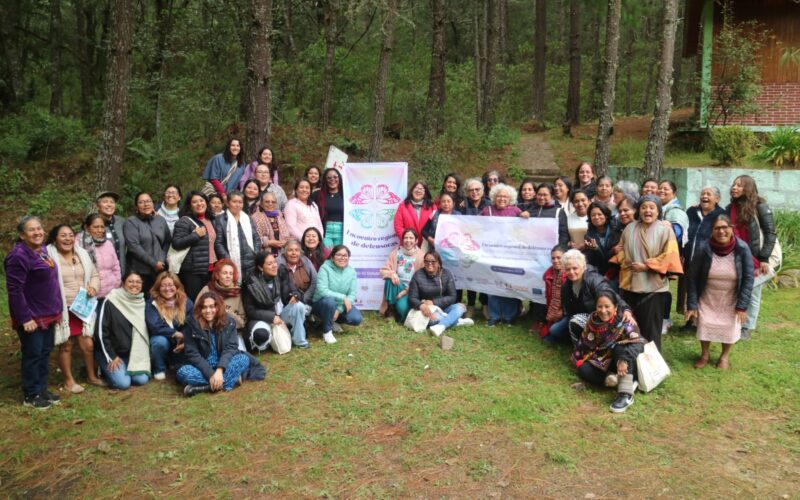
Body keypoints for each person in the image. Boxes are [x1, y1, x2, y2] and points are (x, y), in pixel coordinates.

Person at [611, 195, 683, 351]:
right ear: (639, 210)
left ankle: (652, 368)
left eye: (652, 207)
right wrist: (626, 261)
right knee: (629, 328)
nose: (647, 211)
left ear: (658, 211)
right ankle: (630, 361)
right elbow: (620, 248)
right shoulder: (630, 228)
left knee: (651, 330)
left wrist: (647, 266)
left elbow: (670, 255)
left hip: (653, 289)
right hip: (630, 285)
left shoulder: (665, 230)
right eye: (644, 207)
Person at [5, 216, 63, 408]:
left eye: (39, 228)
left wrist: (57, 309)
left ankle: (42, 389)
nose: (37, 232)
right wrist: (25, 317)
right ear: (22, 235)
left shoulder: (42, 250)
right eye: (31, 230)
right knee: (33, 353)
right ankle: (30, 394)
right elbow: (15, 291)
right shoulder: (18, 256)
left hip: (49, 313)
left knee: (45, 352)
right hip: (32, 316)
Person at [686, 214, 754, 370]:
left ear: (731, 229)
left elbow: (749, 278)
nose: (721, 231)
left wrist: (742, 306)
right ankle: (704, 354)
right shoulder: (703, 248)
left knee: (729, 325)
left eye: (725, 227)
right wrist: (692, 304)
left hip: (732, 296)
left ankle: (724, 357)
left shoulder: (742, 248)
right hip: (708, 295)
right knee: (705, 323)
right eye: (717, 228)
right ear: (712, 231)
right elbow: (692, 277)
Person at [47, 224, 103, 394]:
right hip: (63, 307)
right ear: (55, 238)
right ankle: (69, 381)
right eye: (63, 235)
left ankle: (91, 376)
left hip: (83, 305)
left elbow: (94, 274)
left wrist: (93, 287)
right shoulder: (48, 256)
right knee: (66, 344)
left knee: (88, 343)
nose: (68, 239)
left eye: (71, 235)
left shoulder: (82, 253)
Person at [572, 293, 645, 413]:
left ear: (615, 308)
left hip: (625, 362)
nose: (603, 310)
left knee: (619, 348)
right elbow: (585, 343)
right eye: (599, 306)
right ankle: (613, 380)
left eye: (607, 306)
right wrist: (579, 357)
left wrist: (624, 360)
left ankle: (625, 394)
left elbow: (638, 343)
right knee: (583, 369)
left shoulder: (625, 321)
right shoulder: (593, 321)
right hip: (604, 361)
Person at [542, 249, 633, 345]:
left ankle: (585, 343)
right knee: (554, 330)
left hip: (598, 316)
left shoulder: (593, 279)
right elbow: (568, 309)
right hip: (577, 317)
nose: (571, 272)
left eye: (575, 268)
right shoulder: (566, 286)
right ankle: (580, 335)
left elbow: (610, 294)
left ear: (583, 267)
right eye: (568, 269)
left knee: (575, 321)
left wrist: (626, 309)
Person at [177, 292, 258, 396]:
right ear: (199, 309)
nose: (208, 311)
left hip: (223, 364)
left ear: (218, 307)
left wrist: (219, 370)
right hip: (202, 367)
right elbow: (192, 354)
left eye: (212, 307)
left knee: (243, 359)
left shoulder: (229, 322)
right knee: (183, 372)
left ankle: (204, 388)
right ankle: (229, 381)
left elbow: (231, 347)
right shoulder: (192, 324)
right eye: (204, 307)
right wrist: (211, 374)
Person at [726, 174, 777, 339]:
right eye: (734, 185)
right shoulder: (730, 208)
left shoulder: (760, 206)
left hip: (756, 257)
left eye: (739, 185)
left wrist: (764, 258)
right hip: (737, 254)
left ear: (748, 188)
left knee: (753, 290)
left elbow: (770, 233)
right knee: (738, 288)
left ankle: (748, 327)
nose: (734, 187)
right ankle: (736, 322)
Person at [95, 271, 151, 390]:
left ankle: (124, 368)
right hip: (112, 353)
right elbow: (100, 332)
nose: (134, 284)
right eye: (130, 281)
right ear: (123, 283)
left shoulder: (142, 303)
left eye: (138, 282)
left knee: (141, 380)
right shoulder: (111, 301)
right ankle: (102, 367)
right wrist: (111, 356)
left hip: (133, 354)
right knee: (123, 384)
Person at [243, 252, 309, 350]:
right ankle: (270, 338)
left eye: (274, 262)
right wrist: (271, 317)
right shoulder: (251, 283)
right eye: (269, 264)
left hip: (281, 315)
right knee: (261, 337)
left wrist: (295, 296)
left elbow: (295, 290)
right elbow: (250, 311)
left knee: (299, 306)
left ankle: (300, 341)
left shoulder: (281, 272)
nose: (274, 266)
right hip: (262, 318)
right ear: (261, 268)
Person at [683, 186, 725, 331]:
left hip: (709, 259)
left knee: (705, 291)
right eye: (702, 194)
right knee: (690, 289)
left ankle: (703, 322)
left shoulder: (720, 214)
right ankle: (690, 321)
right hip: (689, 258)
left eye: (709, 194)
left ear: (717, 199)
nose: (704, 196)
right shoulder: (692, 212)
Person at [480, 183, 522, 326]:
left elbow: (525, 230)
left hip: (511, 255)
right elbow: (476, 226)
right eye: (499, 195)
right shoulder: (487, 211)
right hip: (492, 254)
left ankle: (509, 316)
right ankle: (494, 315)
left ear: (510, 198)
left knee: (510, 284)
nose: (502, 198)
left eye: (505, 196)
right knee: (493, 284)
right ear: (494, 197)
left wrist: (526, 216)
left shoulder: (516, 211)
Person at [407, 251, 473, 337]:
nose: (429, 263)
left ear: (439, 263)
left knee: (459, 307)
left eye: (433, 261)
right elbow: (412, 297)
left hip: (444, 307)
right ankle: (456, 320)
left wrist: (433, 302)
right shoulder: (418, 275)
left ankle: (440, 326)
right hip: (428, 310)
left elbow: (453, 296)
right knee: (433, 319)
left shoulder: (446, 274)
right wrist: (420, 305)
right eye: (427, 261)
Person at [145, 272, 193, 380]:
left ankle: (175, 363)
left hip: (181, 341)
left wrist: (185, 337)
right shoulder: (152, 303)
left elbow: (192, 323)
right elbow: (154, 326)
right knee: (159, 342)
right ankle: (159, 368)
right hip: (163, 339)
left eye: (171, 285)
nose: (167, 289)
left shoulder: (186, 302)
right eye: (163, 285)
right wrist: (175, 333)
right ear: (158, 287)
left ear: (177, 286)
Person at [312, 245, 362, 344]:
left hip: (339, 305)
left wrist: (339, 310)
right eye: (338, 255)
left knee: (356, 318)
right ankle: (327, 332)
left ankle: (333, 321)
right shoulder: (325, 268)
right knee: (330, 302)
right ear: (332, 257)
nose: (342, 258)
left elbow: (352, 294)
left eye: (345, 255)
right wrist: (343, 297)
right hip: (322, 303)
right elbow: (322, 290)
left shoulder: (351, 271)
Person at [172, 191, 217, 301]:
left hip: (210, 268)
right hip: (193, 270)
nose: (199, 204)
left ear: (206, 202)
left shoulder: (211, 220)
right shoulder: (184, 221)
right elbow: (176, 243)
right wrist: (195, 235)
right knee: (194, 301)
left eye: (201, 200)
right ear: (189, 205)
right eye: (194, 202)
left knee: (206, 301)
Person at [123, 192, 171, 293]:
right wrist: (153, 263)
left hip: (159, 269)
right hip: (139, 270)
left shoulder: (160, 220)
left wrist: (161, 259)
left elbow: (167, 242)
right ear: (136, 206)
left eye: (148, 201)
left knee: (158, 299)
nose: (146, 204)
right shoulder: (131, 222)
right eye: (141, 202)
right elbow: (133, 246)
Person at [214, 190, 260, 283]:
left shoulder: (247, 218)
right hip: (231, 262)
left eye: (240, 202)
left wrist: (255, 252)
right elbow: (218, 243)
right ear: (228, 203)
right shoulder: (220, 219)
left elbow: (256, 238)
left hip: (250, 261)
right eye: (234, 202)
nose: (237, 205)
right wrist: (228, 258)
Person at [380, 228, 426, 321]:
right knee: (390, 278)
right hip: (397, 286)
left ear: (416, 240)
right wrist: (392, 274)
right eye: (406, 238)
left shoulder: (422, 256)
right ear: (402, 240)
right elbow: (384, 270)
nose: (408, 240)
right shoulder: (395, 253)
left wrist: (406, 291)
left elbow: (422, 280)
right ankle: (391, 310)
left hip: (411, 290)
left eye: (411, 238)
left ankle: (399, 310)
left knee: (403, 310)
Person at [461, 177, 488, 317]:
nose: (474, 192)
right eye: (471, 190)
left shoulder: (490, 205)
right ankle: (470, 305)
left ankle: (485, 305)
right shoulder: (462, 206)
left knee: (484, 276)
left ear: (483, 191)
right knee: (471, 276)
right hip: (469, 247)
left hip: (486, 247)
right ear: (466, 192)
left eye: (477, 189)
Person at [78, 213, 121, 299]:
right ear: (87, 227)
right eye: (96, 227)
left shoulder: (108, 243)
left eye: (102, 227)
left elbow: (116, 266)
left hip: (111, 293)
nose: (100, 230)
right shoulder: (79, 244)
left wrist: (116, 283)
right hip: (89, 294)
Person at [197, 259, 247, 332]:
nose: (228, 276)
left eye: (231, 273)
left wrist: (225, 311)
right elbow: (196, 314)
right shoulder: (207, 289)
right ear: (217, 275)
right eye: (225, 273)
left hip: (231, 332)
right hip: (208, 331)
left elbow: (242, 323)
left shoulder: (237, 293)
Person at [534, 245, 568, 337]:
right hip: (554, 312)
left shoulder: (571, 274)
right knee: (547, 336)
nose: (555, 261)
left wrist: (563, 312)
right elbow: (549, 298)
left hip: (568, 313)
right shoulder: (548, 275)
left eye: (558, 258)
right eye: (553, 258)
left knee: (553, 331)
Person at [278, 239, 318, 311]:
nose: (294, 253)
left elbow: (314, 282)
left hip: (306, 301)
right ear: (285, 252)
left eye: (296, 250)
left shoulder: (306, 261)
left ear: (300, 252)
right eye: (290, 250)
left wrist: (303, 299)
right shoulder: (278, 264)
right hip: (286, 304)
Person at [394, 181, 436, 246]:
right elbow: (398, 226)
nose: (418, 191)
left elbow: (436, 226)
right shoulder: (402, 206)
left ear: (425, 193)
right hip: (408, 245)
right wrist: (408, 239)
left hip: (426, 245)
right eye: (416, 188)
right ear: (412, 190)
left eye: (421, 189)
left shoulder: (432, 207)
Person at [95, 190, 126, 277]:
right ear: (97, 206)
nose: (109, 205)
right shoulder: (93, 223)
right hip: (102, 276)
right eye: (105, 202)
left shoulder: (122, 222)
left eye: (112, 202)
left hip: (122, 273)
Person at [583, 201, 619, 276]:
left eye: (599, 214)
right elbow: (594, 262)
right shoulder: (589, 236)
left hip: (616, 271)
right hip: (600, 273)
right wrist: (595, 250)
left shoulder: (616, 229)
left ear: (605, 215)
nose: (596, 217)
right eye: (593, 215)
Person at [252, 191, 290, 258]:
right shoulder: (255, 217)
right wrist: (269, 242)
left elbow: (287, 235)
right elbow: (254, 239)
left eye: (273, 202)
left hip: (281, 254)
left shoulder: (279, 216)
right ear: (261, 203)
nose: (270, 204)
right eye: (267, 202)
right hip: (263, 255)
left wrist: (285, 242)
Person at [315, 168, 345, 248]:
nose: (332, 179)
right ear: (325, 180)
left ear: (339, 178)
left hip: (342, 231)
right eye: (329, 177)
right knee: (326, 255)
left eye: (335, 177)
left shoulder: (345, 194)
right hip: (325, 231)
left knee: (339, 255)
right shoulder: (318, 195)